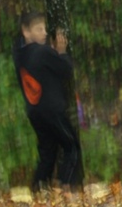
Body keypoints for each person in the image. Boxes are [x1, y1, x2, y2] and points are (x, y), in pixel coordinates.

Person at [12, 11, 83, 190]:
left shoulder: (19, 54)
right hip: (53, 111)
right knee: (72, 147)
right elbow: (66, 70)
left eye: (45, 28)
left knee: (48, 153)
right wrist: (62, 52)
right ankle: (67, 187)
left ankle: (38, 188)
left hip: (35, 112)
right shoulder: (42, 52)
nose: (44, 33)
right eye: (39, 29)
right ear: (26, 31)